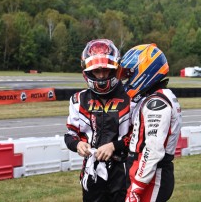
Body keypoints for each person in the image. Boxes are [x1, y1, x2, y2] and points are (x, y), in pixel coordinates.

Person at [64, 39, 132, 202]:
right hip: (92, 171)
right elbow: (70, 135)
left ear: (114, 69)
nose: (101, 75)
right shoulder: (78, 100)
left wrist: (114, 146)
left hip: (124, 171)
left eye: (105, 70)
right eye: (96, 71)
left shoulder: (131, 98)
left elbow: (139, 136)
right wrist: (78, 145)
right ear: (87, 71)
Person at [117, 43, 182, 202]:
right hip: (147, 171)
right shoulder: (158, 96)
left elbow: (153, 149)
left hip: (152, 176)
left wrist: (137, 186)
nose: (127, 79)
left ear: (144, 70)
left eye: (130, 73)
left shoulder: (156, 103)